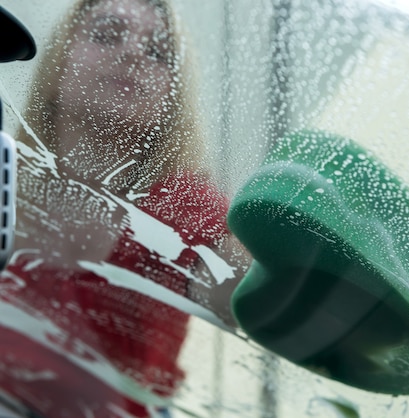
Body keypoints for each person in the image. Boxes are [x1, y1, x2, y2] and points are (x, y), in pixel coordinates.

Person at [0, 0, 249, 416]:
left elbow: (256, 299)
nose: (133, 52)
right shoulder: (7, 173)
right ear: (58, 64)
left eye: (158, 52)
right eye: (107, 33)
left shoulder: (185, 209)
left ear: (171, 97)